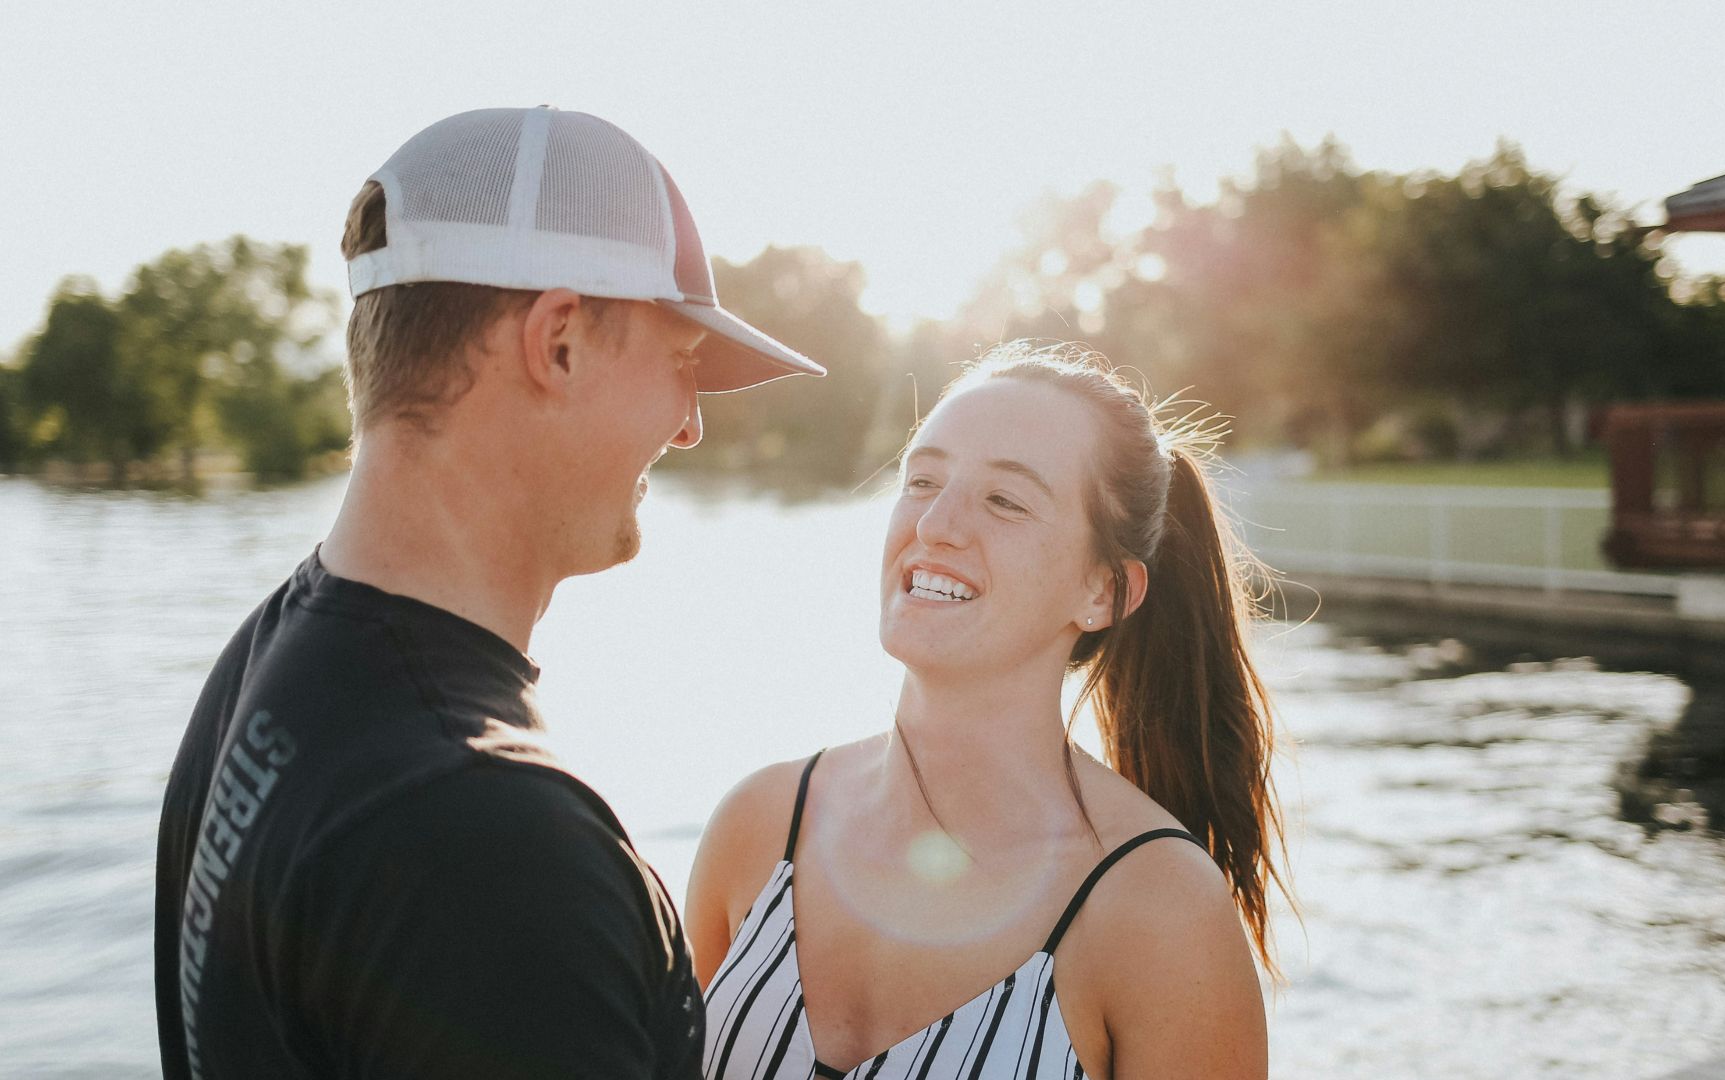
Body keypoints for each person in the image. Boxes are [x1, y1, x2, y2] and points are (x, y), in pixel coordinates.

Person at [154, 106, 825, 1080]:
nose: (690, 430)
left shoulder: (273, 660)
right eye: (682, 364)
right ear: (558, 341)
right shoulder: (496, 850)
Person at [687, 343, 1290, 1080]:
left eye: (1005, 500)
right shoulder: (759, 824)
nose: (934, 523)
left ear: (1103, 592)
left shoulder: (1159, 914)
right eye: (922, 480)